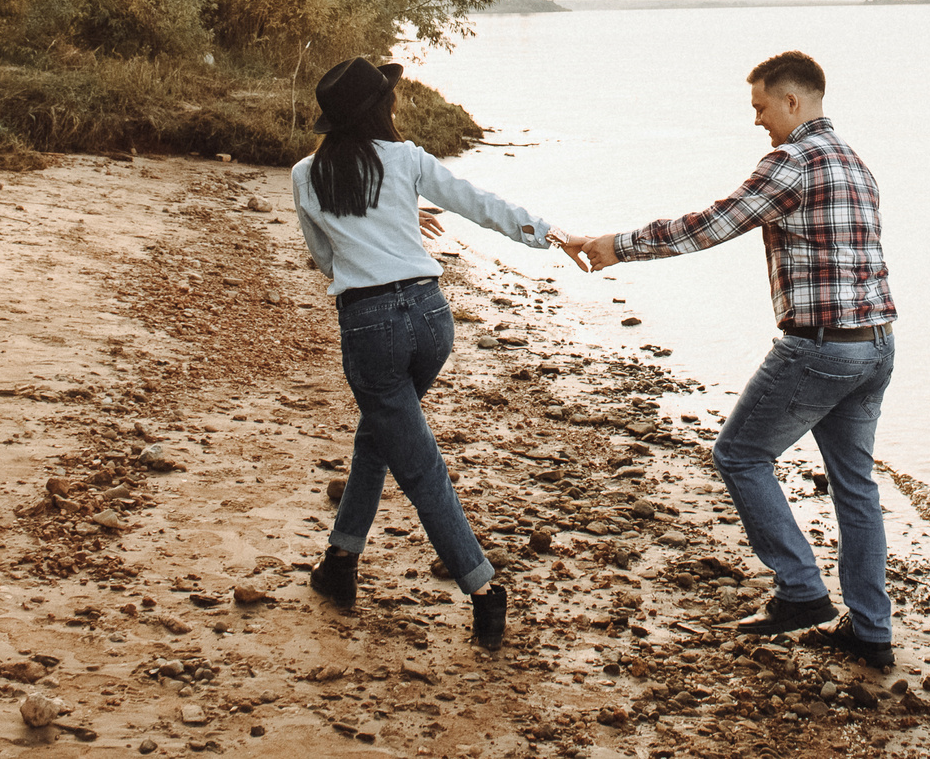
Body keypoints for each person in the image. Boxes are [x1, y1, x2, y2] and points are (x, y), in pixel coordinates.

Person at [555, 50, 898, 668]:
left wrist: (614, 246)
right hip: (875, 345)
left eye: (762, 107)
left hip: (820, 347)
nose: (758, 121)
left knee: (739, 454)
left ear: (793, 101)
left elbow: (709, 225)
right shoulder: (855, 162)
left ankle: (801, 591)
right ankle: (871, 632)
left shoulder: (792, 163)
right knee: (856, 487)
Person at [295, 56, 557, 648]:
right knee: (381, 434)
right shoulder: (407, 158)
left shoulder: (306, 175)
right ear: (381, 109)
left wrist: (375, 235)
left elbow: (325, 260)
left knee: (419, 466)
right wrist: (548, 234)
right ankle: (340, 562)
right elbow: (476, 201)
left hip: (371, 328)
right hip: (433, 317)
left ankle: (483, 587)